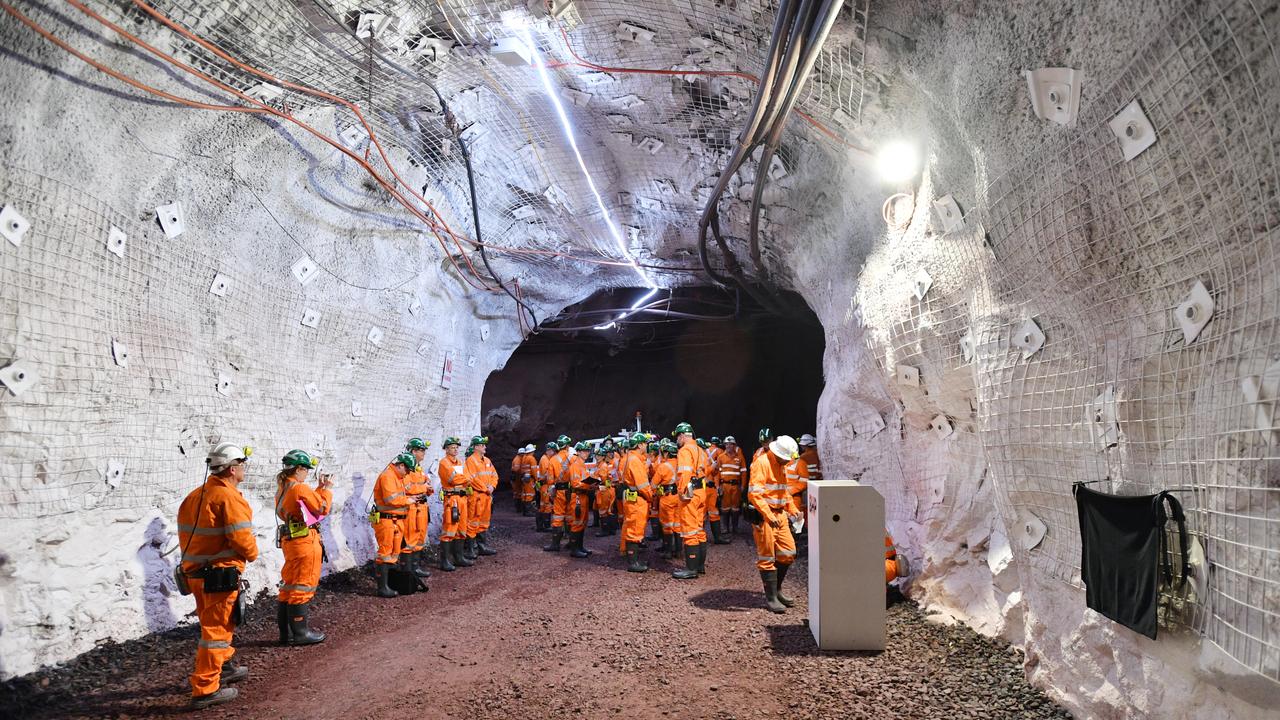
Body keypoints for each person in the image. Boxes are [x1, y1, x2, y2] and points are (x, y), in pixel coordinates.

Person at [177, 442, 258, 708]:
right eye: (242, 464)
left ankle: (225, 667)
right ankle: (205, 689)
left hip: (196, 574)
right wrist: (253, 553)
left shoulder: (195, 496)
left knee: (217, 624)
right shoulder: (228, 497)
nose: (244, 468)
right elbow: (241, 538)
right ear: (233, 469)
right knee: (216, 631)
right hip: (219, 575)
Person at [274, 449, 331, 646]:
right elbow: (322, 508)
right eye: (306, 469)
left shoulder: (283, 487)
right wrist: (326, 490)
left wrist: (318, 489)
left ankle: (287, 633)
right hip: (305, 541)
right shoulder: (299, 488)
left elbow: (304, 504)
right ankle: (300, 632)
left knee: (289, 586)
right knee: (303, 585)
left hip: (290, 541)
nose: (307, 473)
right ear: (298, 469)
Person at [748, 435, 801, 613]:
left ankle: (776, 590)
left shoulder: (781, 465)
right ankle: (771, 598)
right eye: (785, 458)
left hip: (780, 515)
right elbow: (755, 494)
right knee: (767, 558)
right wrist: (769, 515)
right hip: (765, 517)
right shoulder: (761, 463)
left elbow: (784, 492)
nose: (787, 462)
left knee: (788, 552)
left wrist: (792, 509)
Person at [372, 452, 418, 597]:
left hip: (395, 521)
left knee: (393, 553)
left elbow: (398, 496)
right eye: (407, 470)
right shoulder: (388, 476)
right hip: (387, 521)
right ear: (401, 465)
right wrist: (407, 501)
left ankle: (389, 584)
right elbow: (390, 499)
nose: (407, 474)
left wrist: (408, 498)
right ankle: (382, 588)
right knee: (385, 553)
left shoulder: (397, 477)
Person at [672, 422, 711, 580]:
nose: (677, 440)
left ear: (682, 435)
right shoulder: (700, 450)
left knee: (689, 530)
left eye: (677, 437)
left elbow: (685, 473)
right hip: (701, 491)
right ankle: (700, 566)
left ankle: (691, 569)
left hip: (690, 492)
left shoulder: (685, 450)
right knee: (699, 529)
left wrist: (681, 492)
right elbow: (706, 471)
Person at [620, 432, 655, 572]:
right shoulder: (635, 460)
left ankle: (633, 560)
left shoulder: (631, 457)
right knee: (634, 529)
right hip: (637, 499)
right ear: (640, 444)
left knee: (633, 527)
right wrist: (651, 497)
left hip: (632, 497)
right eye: (645, 443)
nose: (646, 446)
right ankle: (633, 563)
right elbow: (642, 485)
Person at [437, 437, 472, 571]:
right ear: (446, 449)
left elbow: (468, 478)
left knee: (462, 529)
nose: (455, 449)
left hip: (462, 498)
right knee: (449, 529)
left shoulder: (460, 462)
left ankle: (459, 557)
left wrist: (465, 479)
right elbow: (453, 479)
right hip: (452, 500)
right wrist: (465, 478)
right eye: (452, 447)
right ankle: (444, 560)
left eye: (457, 447)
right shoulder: (444, 463)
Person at [403, 438, 434, 578]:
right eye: (421, 450)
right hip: (412, 508)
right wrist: (423, 487)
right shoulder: (406, 468)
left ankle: (415, 567)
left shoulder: (419, 469)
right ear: (413, 451)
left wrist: (428, 488)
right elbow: (407, 488)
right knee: (410, 538)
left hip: (421, 506)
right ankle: (408, 569)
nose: (424, 453)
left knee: (420, 536)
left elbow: (423, 485)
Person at [466, 436, 499, 557]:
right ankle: (471, 549)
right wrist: (486, 488)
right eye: (482, 445)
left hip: (486, 496)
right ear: (476, 447)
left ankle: (481, 546)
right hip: (477, 496)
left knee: (484, 521)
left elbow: (495, 475)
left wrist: (492, 487)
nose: (485, 447)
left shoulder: (487, 461)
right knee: (473, 522)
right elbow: (471, 479)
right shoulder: (471, 460)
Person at [566, 441, 595, 558]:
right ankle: (574, 549)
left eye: (587, 451)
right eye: (584, 451)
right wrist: (588, 485)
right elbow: (575, 483)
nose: (586, 453)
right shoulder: (575, 465)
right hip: (577, 496)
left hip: (584, 496)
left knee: (583, 522)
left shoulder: (582, 465)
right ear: (578, 452)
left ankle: (580, 547)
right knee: (577, 522)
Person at [543, 435, 572, 552]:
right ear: (568, 446)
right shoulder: (573, 458)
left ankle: (555, 544)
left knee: (558, 517)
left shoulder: (553, 460)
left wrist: (551, 495)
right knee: (570, 517)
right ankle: (572, 542)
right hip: (571, 491)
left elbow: (550, 481)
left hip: (559, 492)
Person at [654, 440, 681, 559]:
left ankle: (668, 551)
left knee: (667, 525)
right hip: (679, 497)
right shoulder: (681, 464)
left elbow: (653, 485)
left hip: (667, 497)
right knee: (678, 524)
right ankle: (679, 551)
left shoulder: (663, 466)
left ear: (667, 453)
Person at [718, 436, 747, 535]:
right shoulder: (721, 457)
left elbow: (743, 472)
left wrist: (743, 485)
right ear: (725, 445)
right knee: (724, 508)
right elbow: (717, 473)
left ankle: (735, 527)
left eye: (731, 444)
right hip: (725, 486)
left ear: (734, 445)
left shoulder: (739, 458)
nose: (728, 446)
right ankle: (725, 528)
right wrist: (718, 486)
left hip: (736, 487)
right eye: (727, 444)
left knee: (736, 508)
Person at [705, 437, 730, 545]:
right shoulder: (720, 452)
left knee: (701, 514)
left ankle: (699, 539)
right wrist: (718, 485)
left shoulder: (703, 453)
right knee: (714, 512)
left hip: (703, 487)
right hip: (711, 487)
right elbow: (717, 471)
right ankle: (717, 537)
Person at [594, 443, 619, 537]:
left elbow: (604, 479)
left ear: (603, 456)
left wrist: (596, 482)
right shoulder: (602, 465)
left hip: (605, 490)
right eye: (596, 455)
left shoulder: (603, 466)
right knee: (609, 510)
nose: (597, 457)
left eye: (599, 455)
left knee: (603, 510)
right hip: (607, 489)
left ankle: (605, 530)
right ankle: (611, 529)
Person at [535, 441, 557, 533]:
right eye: (554, 451)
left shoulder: (546, 459)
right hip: (545, 485)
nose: (555, 453)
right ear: (549, 450)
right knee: (547, 505)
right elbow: (547, 475)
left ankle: (540, 526)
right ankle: (546, 526)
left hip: (544, 485)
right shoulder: (545, 460)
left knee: (543, 506)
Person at [513, 444, 537, 515]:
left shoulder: (524, 458)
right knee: (530, 494)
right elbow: (534, 470)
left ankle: (524, 510)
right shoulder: (531, 458)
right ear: (532, 451)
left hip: (524, 478)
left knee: (524, 494)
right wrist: (536, 479)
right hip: (529, 479)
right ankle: (528, 511)